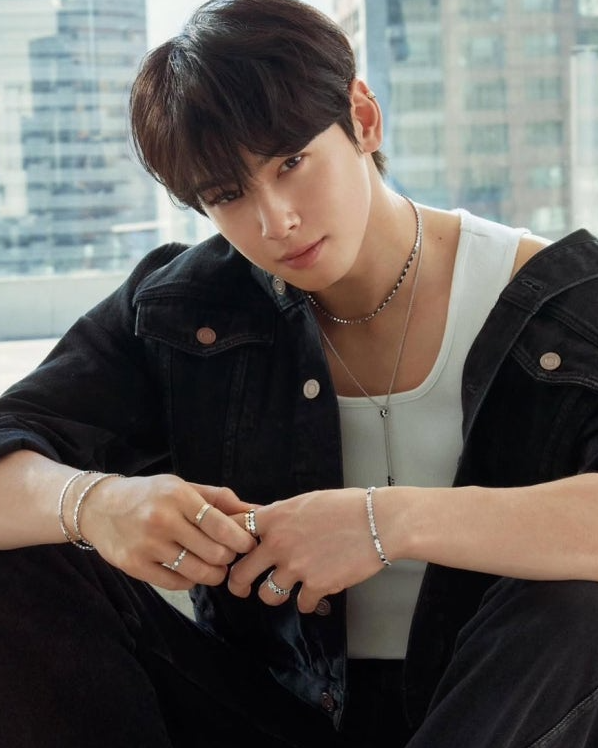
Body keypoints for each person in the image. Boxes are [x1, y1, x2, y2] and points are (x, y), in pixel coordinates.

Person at [1, 0, 598, 745]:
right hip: (267, 715)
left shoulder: (565, 304)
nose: (275, 220)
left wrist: (383, 522)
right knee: (21, 560)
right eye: (228, 195)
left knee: (580, 601)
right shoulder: (185, 309)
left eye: (290, 162)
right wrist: (94, 504)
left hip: (510, 708)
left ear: (363, 119)